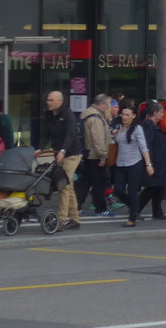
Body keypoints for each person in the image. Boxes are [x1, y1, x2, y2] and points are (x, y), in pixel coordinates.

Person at [36, 90, 82, 230]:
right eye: (48, 100)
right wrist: (39, 148)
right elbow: (44, 134)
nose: (48, 102)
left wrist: (63, 151)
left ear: (60, 101)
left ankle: (61, 220)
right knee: (69, 186)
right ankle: (74, 219)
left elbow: (70, 134)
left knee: (64, 186)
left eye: (51, 100)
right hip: (57, 152)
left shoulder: (67, 114)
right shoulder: (47, 114)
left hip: (72, 153)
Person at [111, 104, 154, 227]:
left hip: (135, 163)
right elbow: (115, 142)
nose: (124, 117)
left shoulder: (137, 129)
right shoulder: (119, 127)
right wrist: (113, 135)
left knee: (132, 191)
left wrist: (148, 164)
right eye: (122, 114)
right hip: (120, 163)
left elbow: (143, 147)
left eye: (127, 115)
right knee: (118, 191)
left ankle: (132, 218)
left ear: (134, 116)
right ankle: (134, 207)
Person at [76, 94, 114, 217]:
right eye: (108, 104)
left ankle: (76, 206)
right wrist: (103, 156)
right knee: (99, 183)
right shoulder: (96, 118)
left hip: (86, 153)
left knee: (85, 182)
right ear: (102, 104)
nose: (109, 107)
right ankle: (101, 208)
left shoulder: (86, 113)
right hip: (96, 156)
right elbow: (98, 138)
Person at [137, 101, 166, 221]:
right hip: (154, 162)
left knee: (159, 187)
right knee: (152, 187)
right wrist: (149, 163)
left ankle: (157, 212)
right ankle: (136, 210)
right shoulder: (149, 126)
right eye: (161, 112)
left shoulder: (152, 125)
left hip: (158, 161)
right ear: (155, 113)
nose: (163, 114)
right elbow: (147, 145)